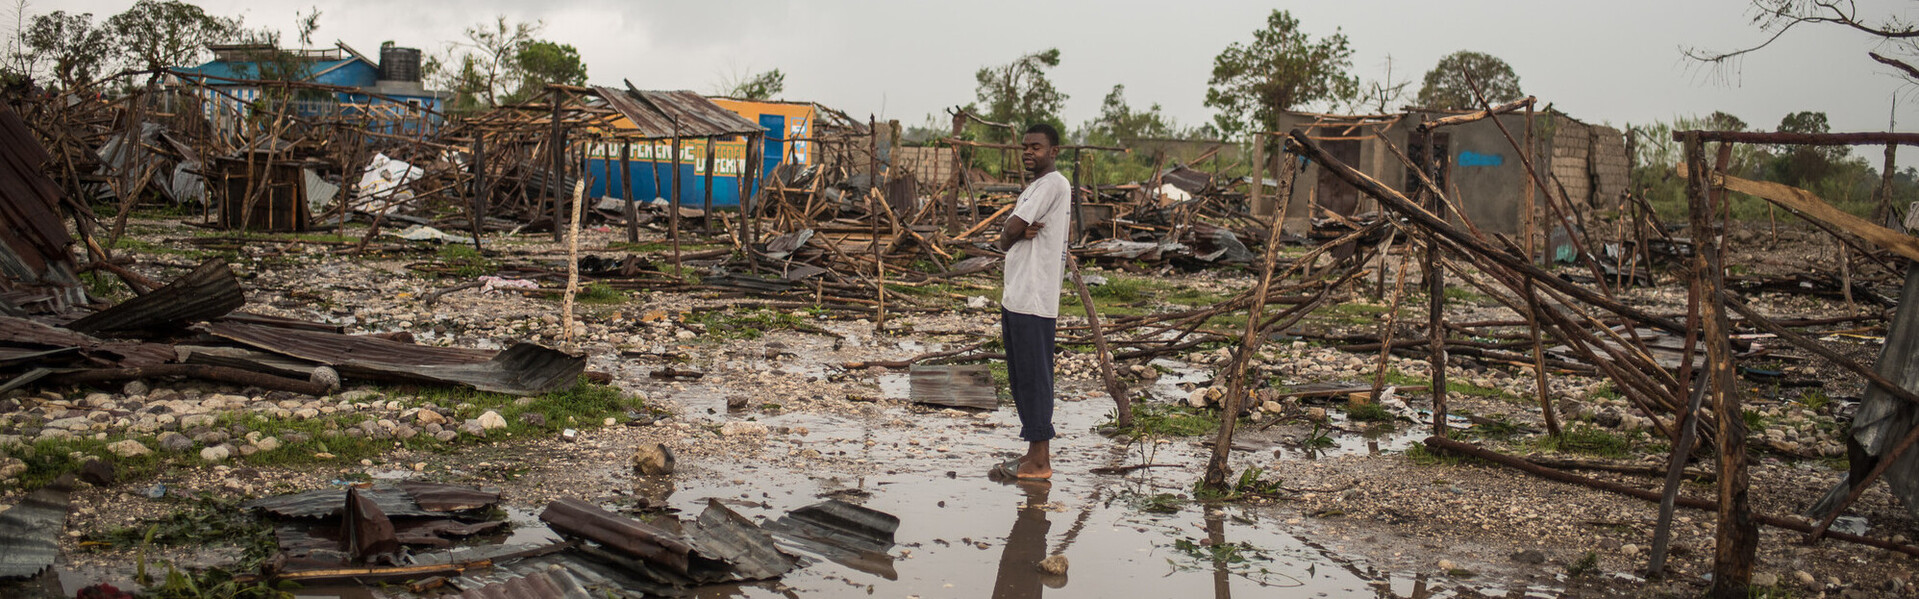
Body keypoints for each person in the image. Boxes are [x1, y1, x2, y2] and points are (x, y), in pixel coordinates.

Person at [992, 123, 1070, 481]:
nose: (1028, 152)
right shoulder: (1036, 187)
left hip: (1034, 298)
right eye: (1025, 146)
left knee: (1035, 378)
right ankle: (1032, 454)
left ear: (1054, 151)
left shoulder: (1052, 184)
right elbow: (1009, 234)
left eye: (1036, 147)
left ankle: (1040, 462)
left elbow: (1008, 233)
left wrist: (1014, 233)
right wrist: (1013, 233)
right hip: (1019, 296)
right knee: (1023, 378)